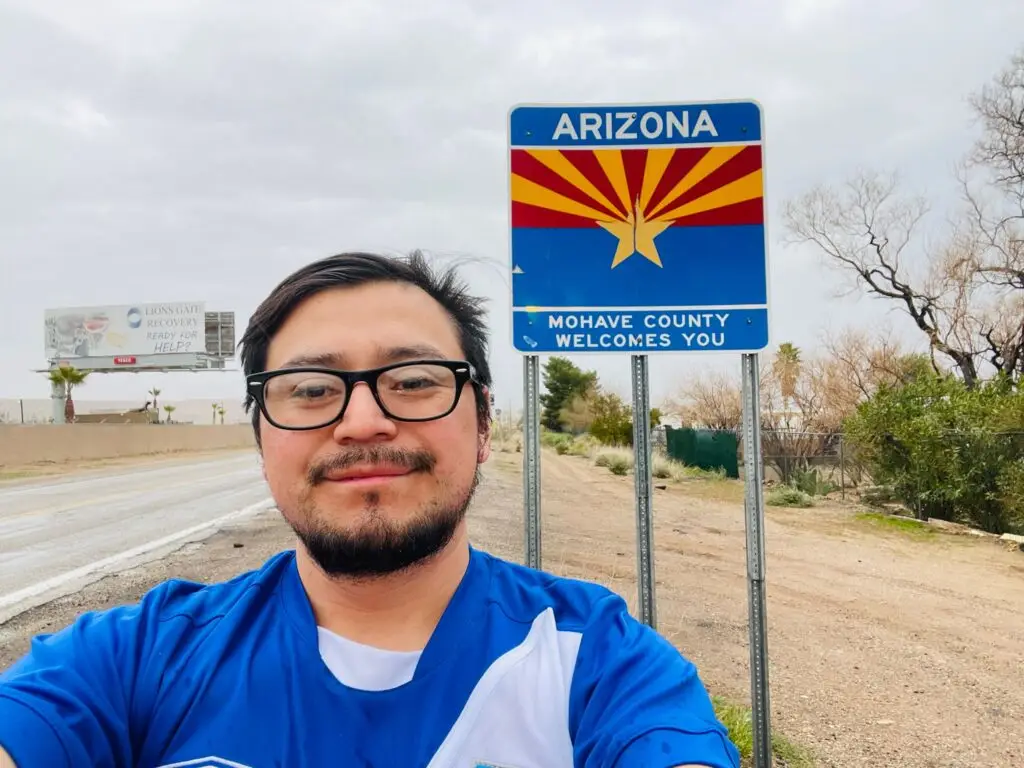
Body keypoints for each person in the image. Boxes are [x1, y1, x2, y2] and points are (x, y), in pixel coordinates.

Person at [0, 251, 740, 768]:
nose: (361, 422)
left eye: (414, 380)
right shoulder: (134, 659)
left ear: (483, 424)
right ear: (261, 437)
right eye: (312, 389)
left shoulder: (602, 662)